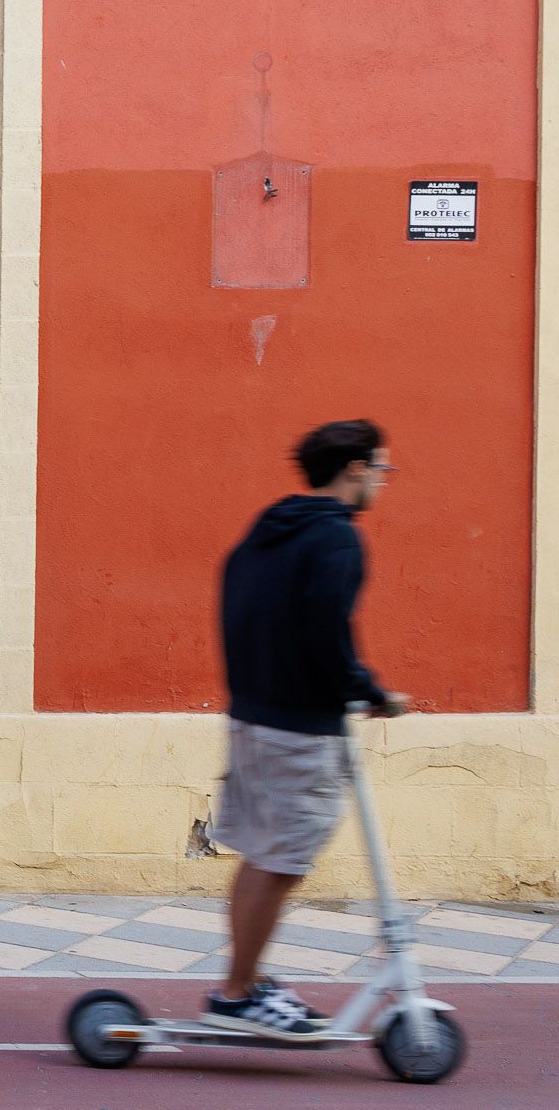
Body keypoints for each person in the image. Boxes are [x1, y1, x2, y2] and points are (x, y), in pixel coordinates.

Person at [208, 420, 411, 1036]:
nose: (382, 480)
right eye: (381, 468)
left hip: (253, 716)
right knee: (285, 860)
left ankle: (240, 982)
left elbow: (239, 607)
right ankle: (239, 992)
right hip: (300, 729)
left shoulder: (270, 529)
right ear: (354, 469)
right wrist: (369, 692)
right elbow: (327, 630)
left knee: (263, 856)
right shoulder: (336, 540)